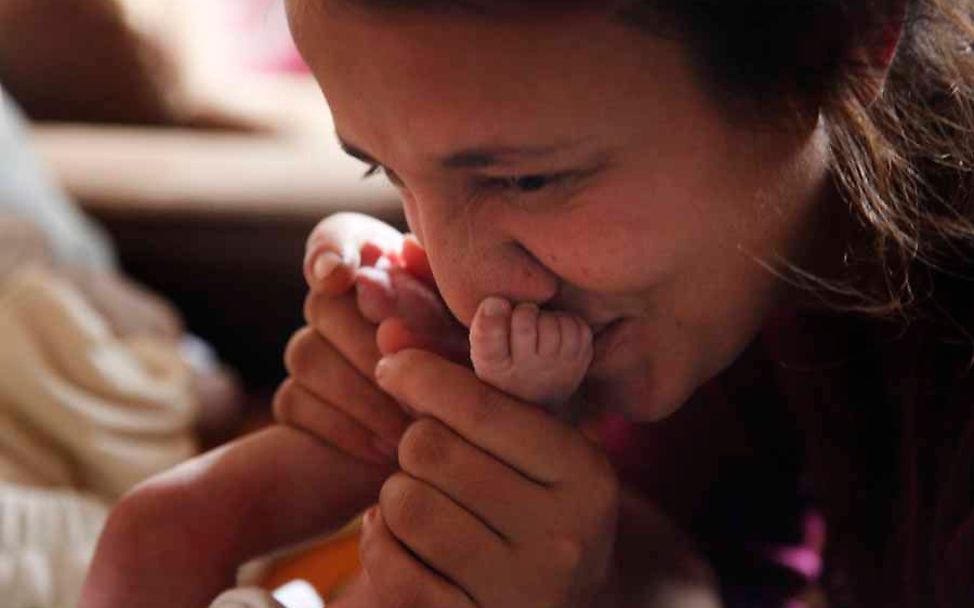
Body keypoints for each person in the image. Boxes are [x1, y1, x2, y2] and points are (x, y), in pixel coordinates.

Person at [81, 1, 974, 607]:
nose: (467, 293)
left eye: (531, 179)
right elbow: (717, 570)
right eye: (386, 170)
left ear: (850, 39)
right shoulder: (748, 261)